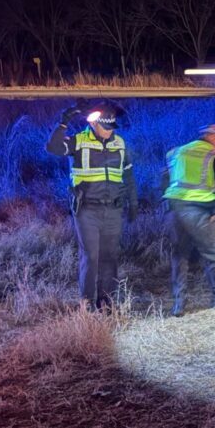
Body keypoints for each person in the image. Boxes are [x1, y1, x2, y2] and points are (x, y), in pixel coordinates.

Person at [46, 102, 138, 311]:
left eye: (112, 128)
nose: (109, 133)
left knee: (110, 258)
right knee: (91, 257)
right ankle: (86, 307)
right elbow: (53, 148)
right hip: (87, 210)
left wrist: (133, 202)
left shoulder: (120, 143)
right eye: (106, 128)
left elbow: (129, 176)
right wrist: (63, 124)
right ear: (94, 123)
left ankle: (106, 305)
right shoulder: (79, 141)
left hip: (113, 210)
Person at [162, 124, 215, 317]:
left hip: (175, 211)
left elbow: (164, 178)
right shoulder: (213, 157)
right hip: (201, 211)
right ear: (210, 137)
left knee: (180, 257)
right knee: (212, 256)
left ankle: (179, 304)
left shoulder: (179, 152)